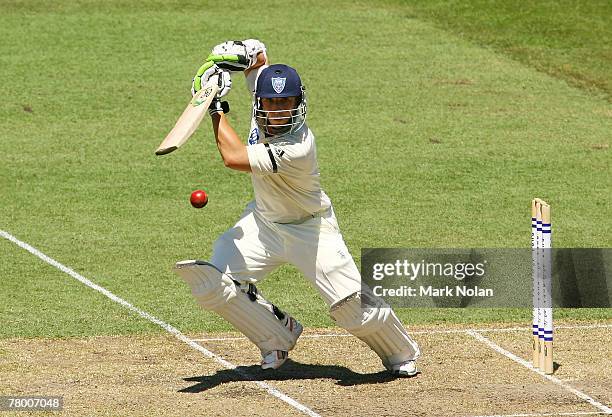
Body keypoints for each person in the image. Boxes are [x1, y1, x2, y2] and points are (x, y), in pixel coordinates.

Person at [174, 39, 420, 376]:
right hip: (263, 225)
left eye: (286, 102)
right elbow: (259, 58)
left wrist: (214, 105)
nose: (279, 110)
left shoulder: (298, 147)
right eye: (272, 103)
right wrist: (229, 61)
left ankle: (402, 351)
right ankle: (276, 334)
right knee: (211, 284)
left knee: (355, 310)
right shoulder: (262, 106)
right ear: (260, 102)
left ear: (299, 103)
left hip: (311, 230)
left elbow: (232, 158)